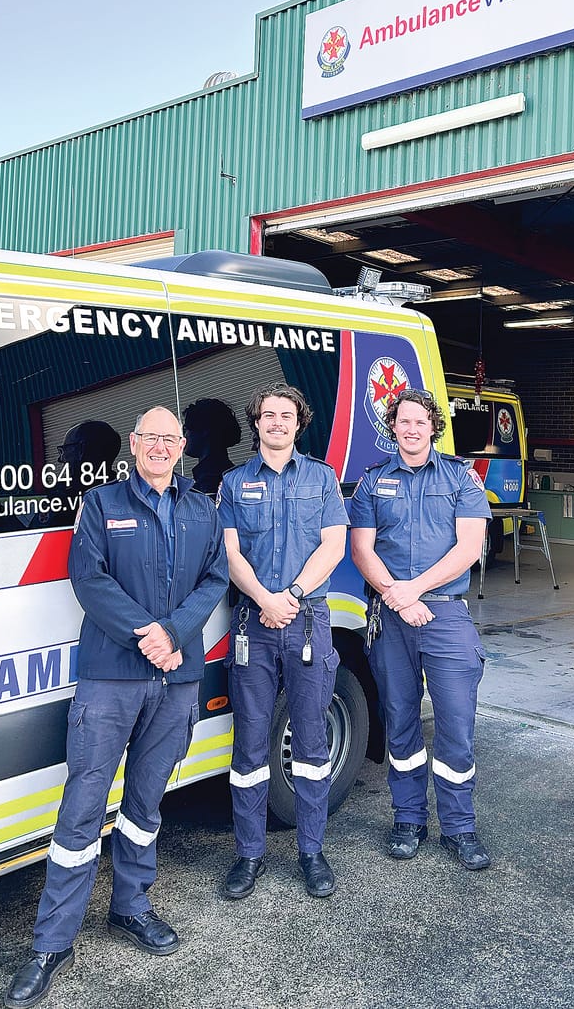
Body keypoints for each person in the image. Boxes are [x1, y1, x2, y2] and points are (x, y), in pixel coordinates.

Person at [3, 407, 228, 1008]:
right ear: (133, 445)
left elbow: (214, 579)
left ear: (182, 447)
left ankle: (132, 907)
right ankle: (51, 943)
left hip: (177, 675)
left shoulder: (203, 508)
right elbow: (89, 577)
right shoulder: (102, 504)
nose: (159, 447)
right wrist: (145, 634)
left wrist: (173, 635)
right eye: (148, 437)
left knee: (146, 801)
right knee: (83, 804)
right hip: (112, 674)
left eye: (169, 438)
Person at [350, 389, 492, 871]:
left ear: (434, 426)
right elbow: (362, 551)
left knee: (455, 723)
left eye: (420, 421)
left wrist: (414, 590)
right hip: (392, 616)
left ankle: (459, 827)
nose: (411, 429)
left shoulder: (460, 477)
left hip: (445, 615)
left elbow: (469, 546)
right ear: (392, 427)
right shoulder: (372, 483)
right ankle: (408, 819)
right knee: (400, 720)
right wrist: (396, 596)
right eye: (403, 421)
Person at [216, 383, 348, 899]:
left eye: (285, 415)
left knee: (311, 740)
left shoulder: (322, 478)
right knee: (249, 742)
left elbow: (334, 545)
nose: (276, 422)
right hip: (253, 624)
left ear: (299, 422)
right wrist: (265, 599)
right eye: (267, 415)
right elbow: (230, 553)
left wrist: (289, 594)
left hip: (307, 621)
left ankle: (312, 851)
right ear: (256, 423)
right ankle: (249, 855)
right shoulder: (232, 483)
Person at [182, 397, 241, 496]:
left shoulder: (210, 482)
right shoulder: (233, 476)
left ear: (204, 430)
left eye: (185, 429)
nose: (183, 436)